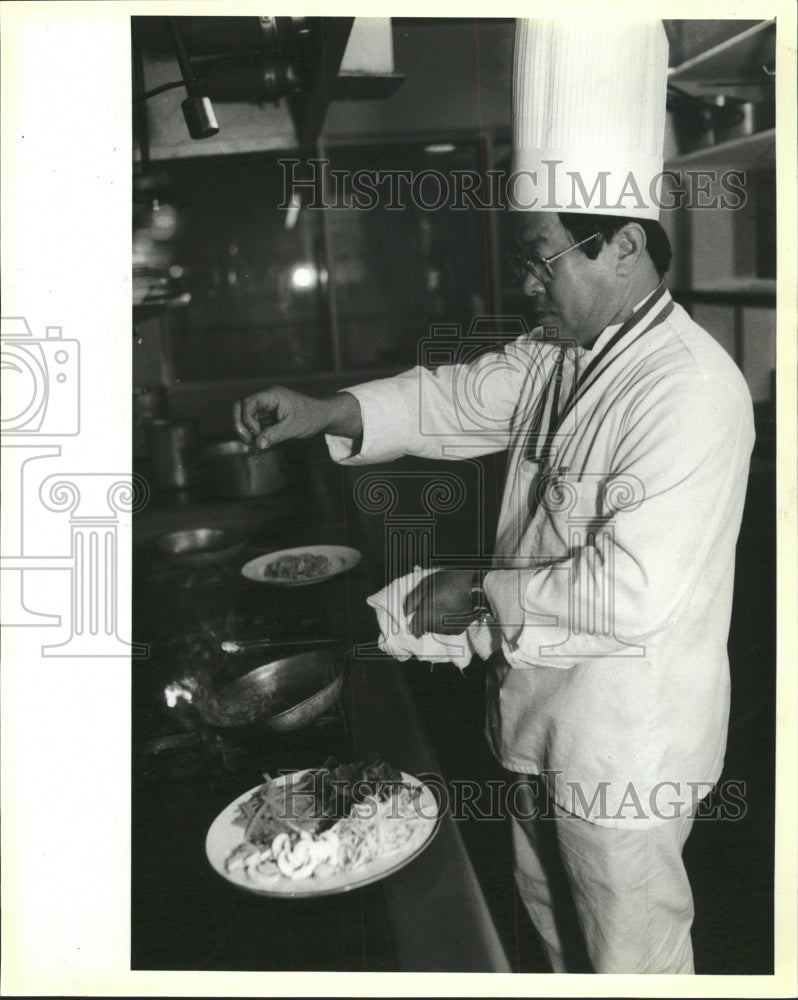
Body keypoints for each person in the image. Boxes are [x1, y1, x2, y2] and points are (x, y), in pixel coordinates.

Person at [233, 18, 755, 976]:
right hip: (538, 710)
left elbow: (630, 590)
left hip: (626, 746)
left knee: (629, 960)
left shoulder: (692, 390)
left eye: (542, 257)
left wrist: (477, 591)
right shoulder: (566, 350)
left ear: (627, 246)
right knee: (552, 931)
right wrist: (327, 410)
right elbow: (459, 395)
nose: (527, 283)